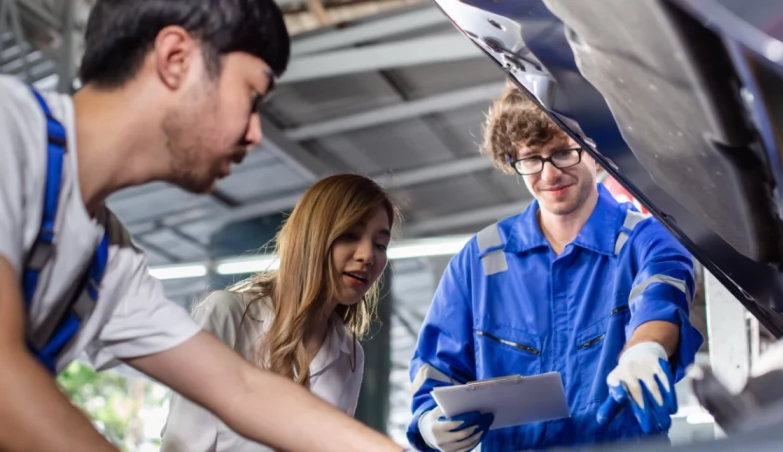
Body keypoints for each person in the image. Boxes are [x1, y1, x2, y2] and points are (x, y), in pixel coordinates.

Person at [0, 1, 406, 451]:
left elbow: (240, 388)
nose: (255, 133)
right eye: (252, 97)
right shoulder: (10, 130)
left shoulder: (107, 260)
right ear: (176, 58)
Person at [406, 81, 705, 452]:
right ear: (511, 158)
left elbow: (661, 295)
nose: (549, 175)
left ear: (595, 150)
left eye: (564, 153)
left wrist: (644, 350)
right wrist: (427, 420)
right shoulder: (479, 261)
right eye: (531, 158)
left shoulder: (646, 240)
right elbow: (436, 366)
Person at [160, 174, 398, 451]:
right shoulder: (227, 316)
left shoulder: (350, 356)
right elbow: (182, 445)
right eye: (350, 235)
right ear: (313, 238)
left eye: (380, 245)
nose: (368, 255)